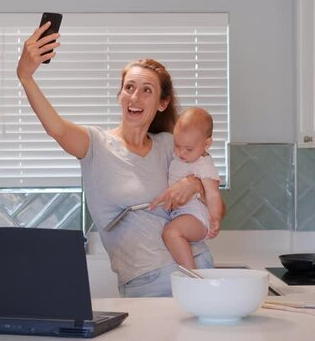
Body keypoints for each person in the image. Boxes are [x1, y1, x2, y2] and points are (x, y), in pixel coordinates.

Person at [16, 21, 225, 297]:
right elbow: (56, 128)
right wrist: (26, 77)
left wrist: (195, 184)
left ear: (162, 103)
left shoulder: (171, 146)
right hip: (146, 283)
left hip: (199, 268)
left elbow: (213, 206)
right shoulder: (97, 146)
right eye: (129, 87)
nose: (134, 97)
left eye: (147, 90)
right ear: (120, 94)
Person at [163, 107, 223, 270]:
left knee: (171, 233)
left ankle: (190, 274)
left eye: (188, 149)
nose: (181, 153)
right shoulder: (182, 156)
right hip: (182, 214)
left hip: (197, 217)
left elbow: (213, 195)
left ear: (207, 144)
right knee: (172, 232)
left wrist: (215, 218)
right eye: (177, 145)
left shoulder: (203, 165)